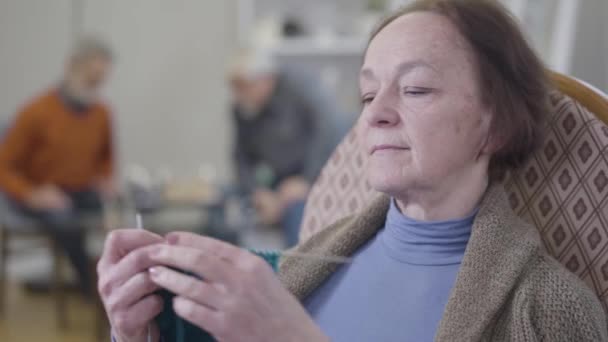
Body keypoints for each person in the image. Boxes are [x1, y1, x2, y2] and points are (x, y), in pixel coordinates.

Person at [97, 1, 607, 341]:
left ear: (495, 127)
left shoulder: (550, 311)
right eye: (367, 93)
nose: (375, 112)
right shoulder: (290, 269)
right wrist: (136, 330)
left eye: (416, 89)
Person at [0, 36, 115, 295]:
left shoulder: (102, 113)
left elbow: (106, 159)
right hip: (40, 194)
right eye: (90, 78)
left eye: (100, 80)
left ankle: (114, 278)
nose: (95, 86)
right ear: (72, 67)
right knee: (67, 219)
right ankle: (91, 287)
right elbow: (4, 167)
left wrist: (106, 180)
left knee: (120, 215)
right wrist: (32, 194)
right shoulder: (35, 112)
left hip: (81, 191)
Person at [228, 49, 338, 246]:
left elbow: (329, 136)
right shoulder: (242, 107)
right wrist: (257, 191)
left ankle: (295, 271)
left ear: (265, 81)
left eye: (243, 87)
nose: (237, 96)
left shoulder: (302, 91)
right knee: (224, 205)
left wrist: (306, 180)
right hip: (271, 182)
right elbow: (240, 157)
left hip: (310, 179)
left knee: (297, 212)